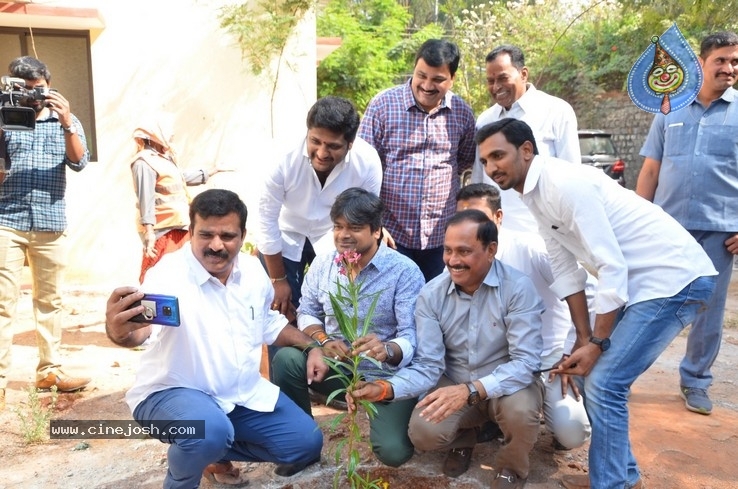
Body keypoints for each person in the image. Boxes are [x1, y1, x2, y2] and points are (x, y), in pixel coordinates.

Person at [476, 118, 717, 489]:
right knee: (598, 379)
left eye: (498, 156)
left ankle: (611, 483)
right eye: (486, 161)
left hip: (673, 279)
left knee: (605, 382)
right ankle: (622, 475)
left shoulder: (563, 184)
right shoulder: (533, 194)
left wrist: (599, 343)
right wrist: (583, 338)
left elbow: (611, 266)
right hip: (645, 285)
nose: (492, 168)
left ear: (526, 150)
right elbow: (565, 270)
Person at [105, 189, 324, 488]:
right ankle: (187, 469)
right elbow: (143, 331)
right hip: (172, 394)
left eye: (228, 236)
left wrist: (312, 345)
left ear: (243, 234)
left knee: (306, 442)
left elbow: (269, 324)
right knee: (207, 431)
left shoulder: (252, 271)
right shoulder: (167, 275)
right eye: (206, 235)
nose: (216, 245)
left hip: (239, 396)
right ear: (191, 232)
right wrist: (120, 332)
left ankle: (205, 450)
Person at [349, 209, 545, 488]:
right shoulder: (432, 294)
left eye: (464, 251)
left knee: (521, 412)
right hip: (454, 380)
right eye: (448, 250)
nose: (453, 261)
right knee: (423, 433)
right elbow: (428, 365)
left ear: (491, 250)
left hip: (508, 383)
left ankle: (511, 467)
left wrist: (470, 390)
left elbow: (526, 364)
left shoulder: (518, 289)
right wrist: (383, 388)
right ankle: (466, 439)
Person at [271, 187, 425, 467]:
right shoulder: (324, 264)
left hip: (385, 376)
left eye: (354, 227)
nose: (343, 235)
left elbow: (412, 336)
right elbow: (307, 311)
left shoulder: (404, 271)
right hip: (338, 367)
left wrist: (387, 349)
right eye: (338, 226)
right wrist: (321, 340)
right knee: (287, 359)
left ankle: (388, 409)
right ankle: (299, 443)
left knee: (393, 452)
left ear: (377, 230)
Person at [637, 31, 738, 416]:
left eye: (735, 62)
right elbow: (650, 169)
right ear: (701, 63)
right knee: (648, 302)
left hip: (719, 232)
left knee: (709, 311)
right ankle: (619, 374)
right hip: (668, 229)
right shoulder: (668, 109)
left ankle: (695, 381)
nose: (729, 69)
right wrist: (639, 219)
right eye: (722, 61)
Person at [456, 183, 591, 451]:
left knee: (571, 434)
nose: (470, 227)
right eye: (462, 218)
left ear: (498, 217)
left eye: (479, 217)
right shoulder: (459, 258)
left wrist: (573, 350)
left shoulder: (534, 250)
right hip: (498, 363)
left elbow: (590, 293)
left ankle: (556, 410)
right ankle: (495, 418)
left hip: (549, 361)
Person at [0, 56, 91, 409]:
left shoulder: (65, 119)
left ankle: (49, 371)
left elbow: (80, 161)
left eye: (38, 90)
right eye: (24, 90)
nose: (33, 97)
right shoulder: (5, 120)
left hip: (51, 222)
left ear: (48, 86)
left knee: (50, 302)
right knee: (3, 305)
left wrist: (67, 120)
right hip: (7, 220)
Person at [358, 39, 476, 282]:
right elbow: (363, 166)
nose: (427, 85)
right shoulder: (383, 105)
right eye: (421, 75)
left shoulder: (462, 113)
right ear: (414, 69)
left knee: (433, 306)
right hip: (391, 234)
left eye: (437, 79)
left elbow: (464, 161)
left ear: (451, 79)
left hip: (441, 238)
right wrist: (374, 226)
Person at [258, 96, 381, 323]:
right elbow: (266, 219)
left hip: (333, 237)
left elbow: (366, 216)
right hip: (284, 236)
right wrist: (277, 280)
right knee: (281, 314)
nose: (322, 153)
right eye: (315, 141)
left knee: (335, 312)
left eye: (333, 146)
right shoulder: (281, 156)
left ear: (350, 144)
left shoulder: (367, 161)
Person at [470, 45, 580, 234]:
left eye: (503, 78)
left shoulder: (556, 111)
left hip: (542, 232)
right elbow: (479, 180)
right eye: (490, 81)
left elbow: (572, 176)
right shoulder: (485, 120)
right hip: (498, 234)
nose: (496, 87)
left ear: (523, 74)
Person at [131, 116, 230, 283]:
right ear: (156, 134)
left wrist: (210, 172)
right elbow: (145, 198)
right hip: (162, 229)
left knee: (182, 274)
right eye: (169, 133)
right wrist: (149, 233)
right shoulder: (143, 162)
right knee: (161, 275)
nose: (171, 137)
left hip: (177, 225)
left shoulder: (162, 158)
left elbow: (180, 178)